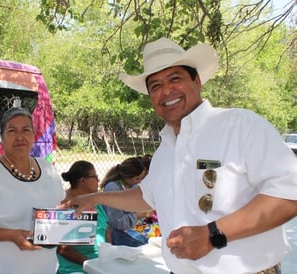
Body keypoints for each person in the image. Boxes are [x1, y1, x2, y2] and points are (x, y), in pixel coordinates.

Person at [62, 37, 297, 273]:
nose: (166, 91)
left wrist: (212, 234)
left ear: (197, 81)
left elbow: (289, 195)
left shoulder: (240, 125)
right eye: (155, 86)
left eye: (175, 79)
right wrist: (96, 198)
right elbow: (147, 196)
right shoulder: (166, 148)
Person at [0, 105, 65, 274]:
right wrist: (11, 235)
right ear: (2, 137)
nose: (20, 136)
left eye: (26, 130)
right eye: (12, 131)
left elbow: (60, 208)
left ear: (33, 135)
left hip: (47, 268)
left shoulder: (48, 169)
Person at [57, 160, 109, 274]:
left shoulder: (95, 201)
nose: (98, 181)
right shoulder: (62, 206)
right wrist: (91, 265)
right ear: (82, 180)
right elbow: (62, 248)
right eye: (95, 177)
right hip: (75, 268)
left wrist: (109, 257)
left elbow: (107, 230)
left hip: (101, 264)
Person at [101, 157, 154, 247]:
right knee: (145, 244)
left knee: (155, 238)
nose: (140, 182)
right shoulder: (113, 188)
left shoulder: (132, 185)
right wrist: (139, 215)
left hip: (130, 227)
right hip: (116, 231)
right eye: (137, 179)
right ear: (126, 176)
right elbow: (118, 222)